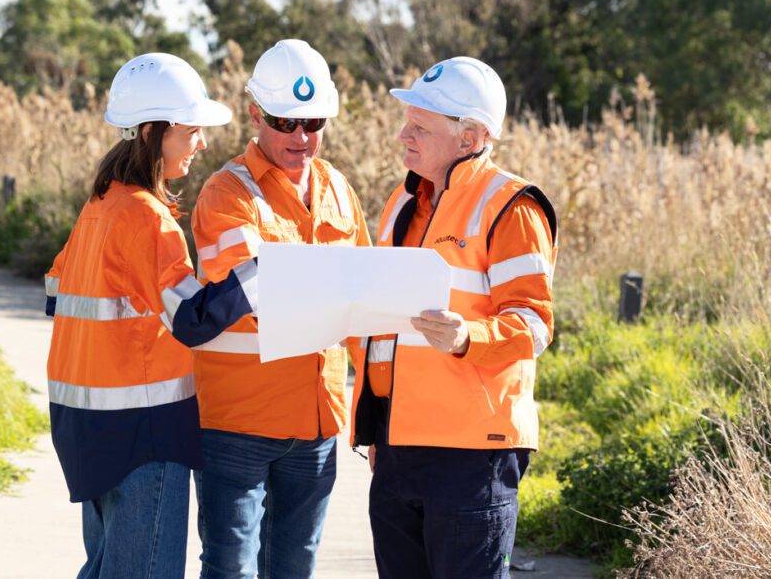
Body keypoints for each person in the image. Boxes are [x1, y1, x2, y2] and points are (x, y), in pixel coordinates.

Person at [45, 52, 260, 579]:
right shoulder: (147, 217)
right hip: (143, 434)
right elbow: (191, 319)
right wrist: (261, 273)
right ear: (152, 132)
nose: (202, 143)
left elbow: (56, 293)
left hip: (85, 430)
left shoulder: (100, 206)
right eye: (191, 131)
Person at [350, 57, 558, 579]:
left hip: (471, 455)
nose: (403, 135)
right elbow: (386, 330)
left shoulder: (512, 207)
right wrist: (378, 429)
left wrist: (470, 336)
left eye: (420, 126)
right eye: (407, 122)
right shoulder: (402, 201)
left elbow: (534, 322)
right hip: (398, 450)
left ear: (470, 138)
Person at [190, 39, 370, 578]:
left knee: (295, 569)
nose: (302, 137)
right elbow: (256, 298)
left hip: (317, 423)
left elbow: (365, 302)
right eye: (285, 122)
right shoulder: (226, 194)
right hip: (238, 422)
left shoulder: (339, 189)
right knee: (231, 570)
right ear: (254, 115)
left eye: (313, 123)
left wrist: (374, 407)